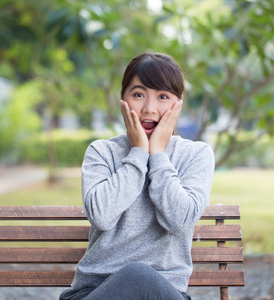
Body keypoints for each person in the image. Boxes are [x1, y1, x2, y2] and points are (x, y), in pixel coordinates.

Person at [59, 53, 215, 300]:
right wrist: (139, 153)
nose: (149, 109)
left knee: (140, 276)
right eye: (139, 94)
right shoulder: (101, 152)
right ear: (123, 99)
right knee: (135, 276)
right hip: (95, 293)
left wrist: (159, 155)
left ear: (179, 103)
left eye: (163, 96)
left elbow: (180, 222)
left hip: (164, 294)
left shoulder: (196, 155)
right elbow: (101, 216)